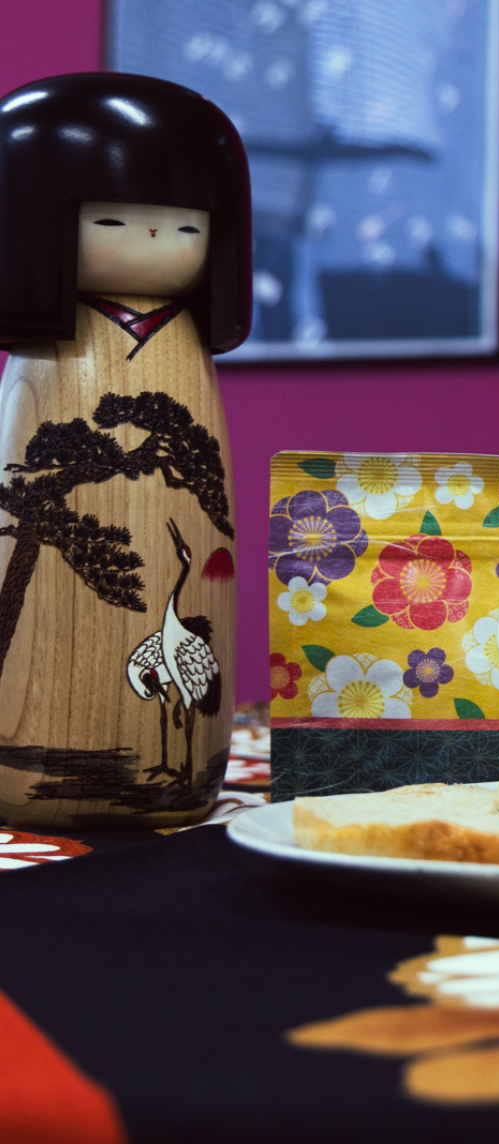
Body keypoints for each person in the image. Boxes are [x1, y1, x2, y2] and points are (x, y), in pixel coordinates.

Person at [0, 72, 249, 829]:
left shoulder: (182, 349)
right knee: (48, 614)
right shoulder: (47, 356)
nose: (153, 241)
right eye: (113, 221)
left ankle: (177, 767)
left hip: (162, 535)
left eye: (184, 229)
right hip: (65, 532)